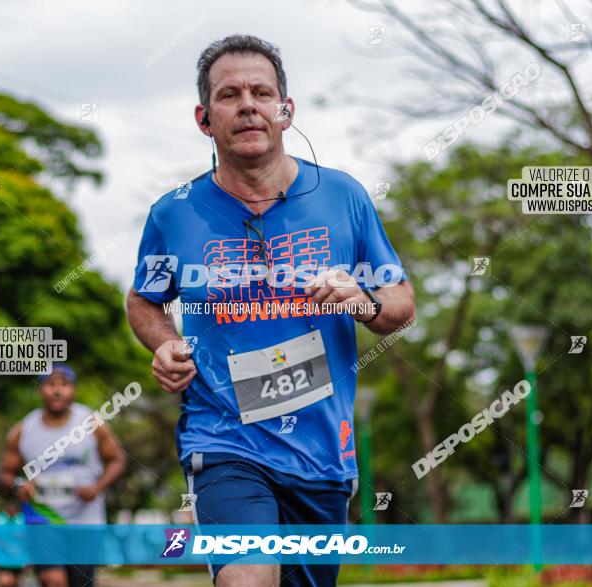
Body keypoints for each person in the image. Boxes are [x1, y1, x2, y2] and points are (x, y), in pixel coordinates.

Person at [127, 34, 414, 587]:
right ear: (204, 118)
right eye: (229, 95)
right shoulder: (173, 215)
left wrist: (362, 297)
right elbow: (145, 297)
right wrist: (162, 341)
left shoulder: (343, 196)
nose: (248, 105)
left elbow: (401, 303)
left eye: (262, 92)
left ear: (286, 110)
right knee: (248, 578)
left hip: (322, 450)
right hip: (223, 440)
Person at [0, 363, 127, 587]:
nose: (57, 391)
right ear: (40, 389)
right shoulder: (23, 430)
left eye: (64, 385)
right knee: (51, 580)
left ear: (73, 389)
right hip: (43, 518)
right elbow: (4, 473)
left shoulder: (91, 423)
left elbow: (118, 460)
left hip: (84, 519)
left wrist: (97, 488)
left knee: (81, 582)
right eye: (51, 384)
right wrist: (19, 485)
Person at [0, 500, 27, 587]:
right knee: (6, 581)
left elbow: (27, 541)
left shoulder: (22, 519)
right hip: (3, 560)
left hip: (18, 561)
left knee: (16, 582)